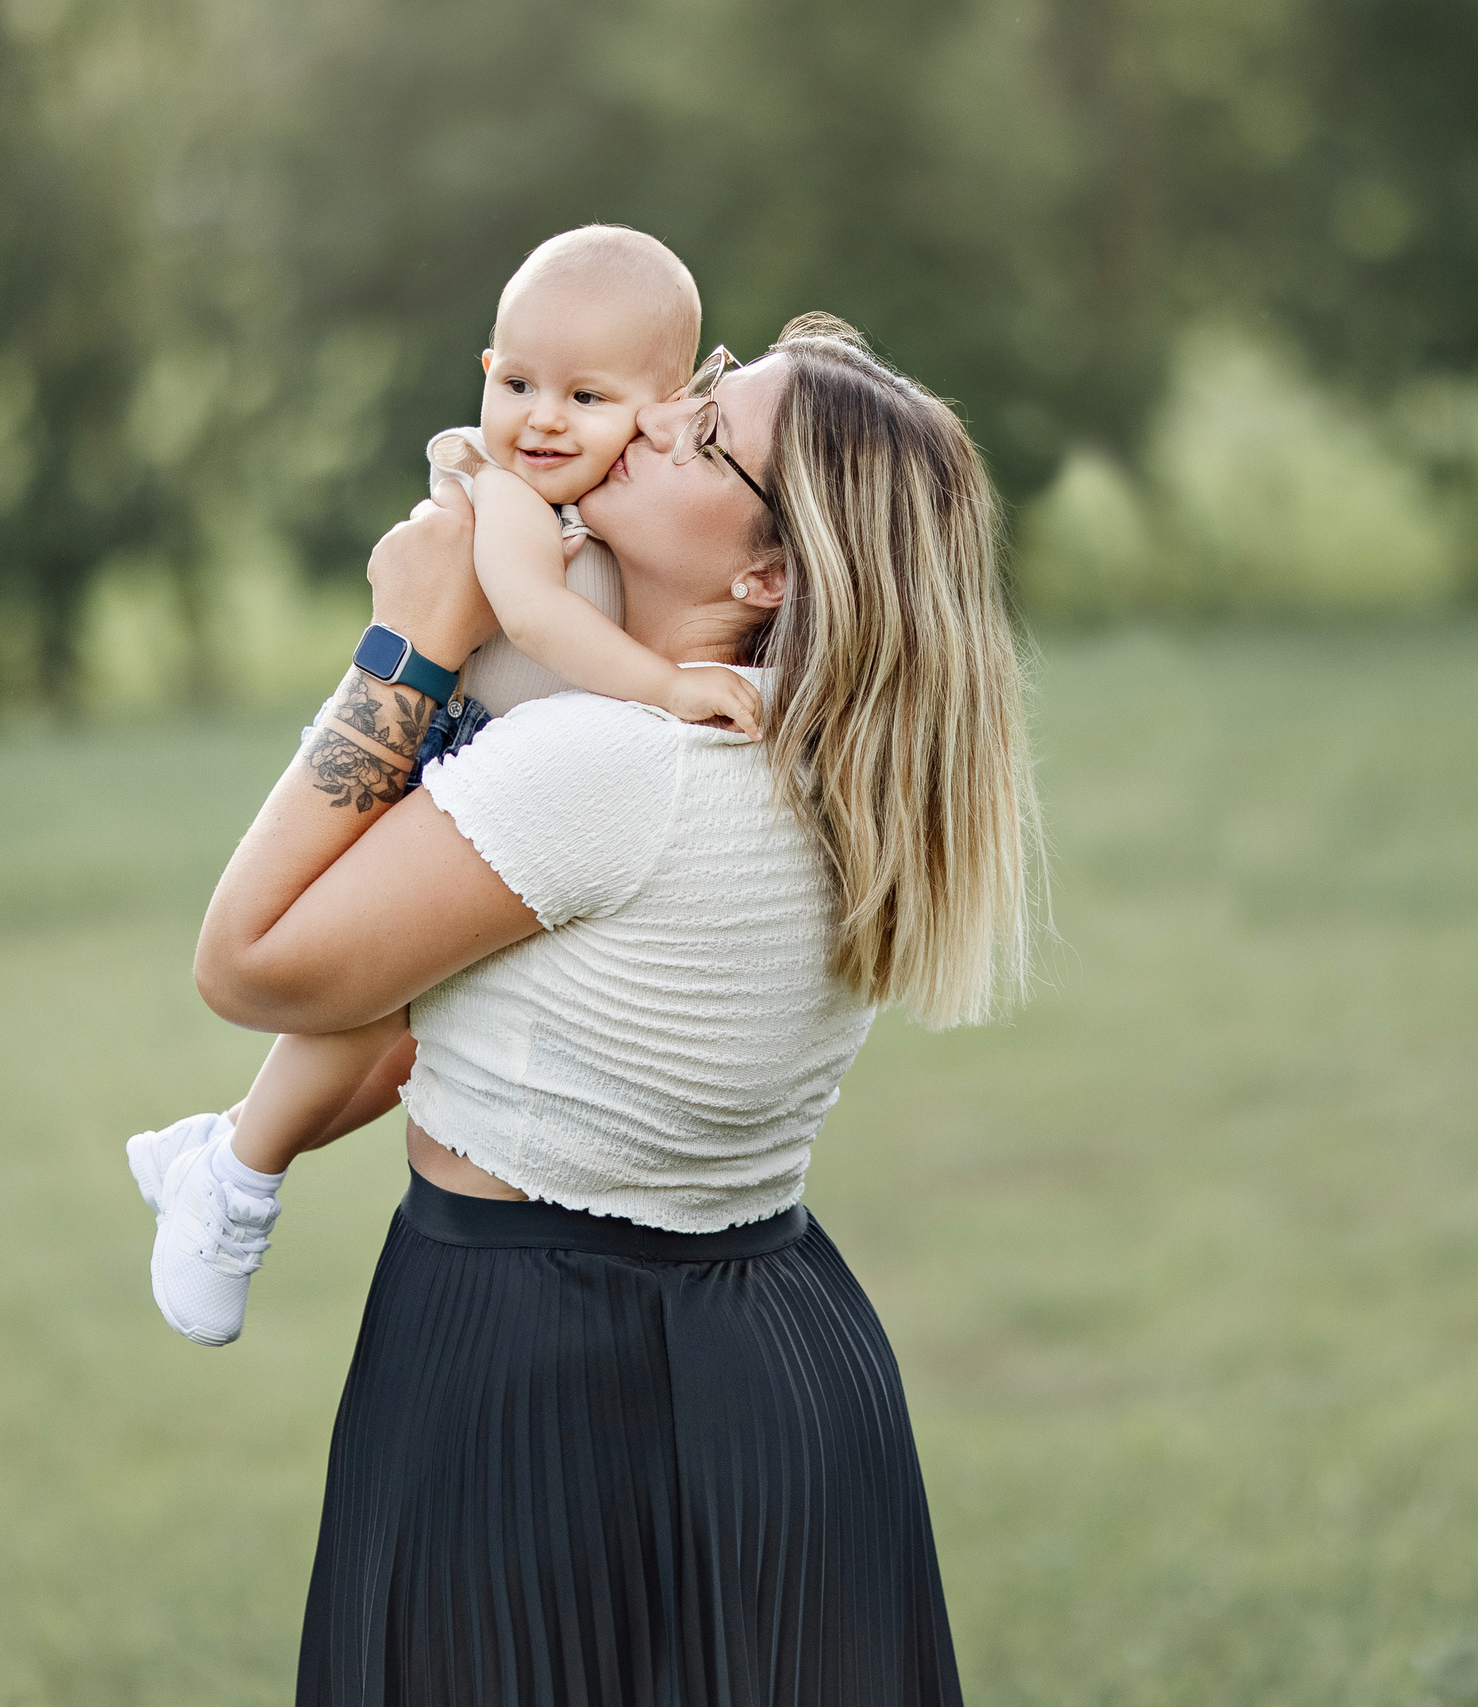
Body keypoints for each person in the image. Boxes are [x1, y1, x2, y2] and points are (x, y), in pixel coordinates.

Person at [192, 312, 1045, 1704]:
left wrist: (406, 641)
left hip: (529, 1373)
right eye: (698, 392)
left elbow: (249, 962)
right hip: (787, 1352)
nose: (647, 418)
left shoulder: (614, 766)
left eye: (706, 434)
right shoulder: (812, 747)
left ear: (766, 570)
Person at [129, 226, 759, 1347]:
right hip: (453, 751)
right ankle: (237, 1170)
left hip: (520, 781)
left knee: (404, 1043)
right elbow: (529, 613)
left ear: (661, 409)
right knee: (359, 1015)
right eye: (517, 382)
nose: (543, 416)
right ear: (485, 375)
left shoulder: (619, 494)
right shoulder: (503, 493)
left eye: (585, 393)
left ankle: (221, 1151)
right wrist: (665, 686)